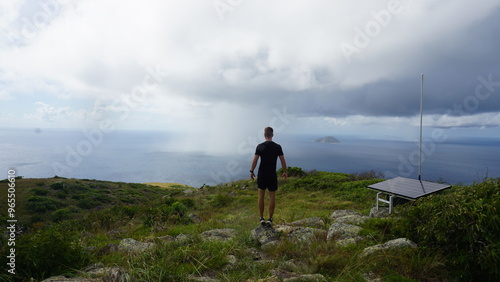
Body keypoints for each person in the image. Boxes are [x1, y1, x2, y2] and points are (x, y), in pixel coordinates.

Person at [250, 126, 287, 226]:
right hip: (272, 174)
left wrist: (251, 171)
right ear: (272, 135)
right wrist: (285, 172)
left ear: (264, 135)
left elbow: (255, 160)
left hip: (262, 174)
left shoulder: (260, 146)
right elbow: (282, 160)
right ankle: (270, 219)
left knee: (261, 196)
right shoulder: (277, 146)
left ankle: (261, 218)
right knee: (272, 197)